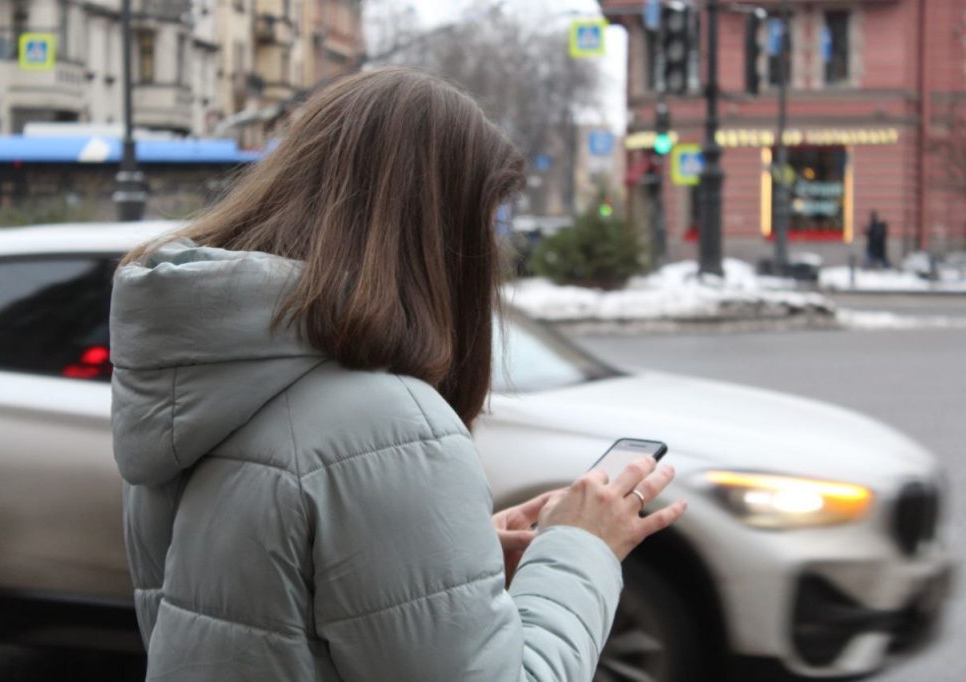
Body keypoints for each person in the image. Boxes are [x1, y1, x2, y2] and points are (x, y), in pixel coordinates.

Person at [111, 67, 686, 682]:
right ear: (442, 238)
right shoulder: (388, 425)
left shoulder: (204, 388)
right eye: (485, 224)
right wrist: (581, 549)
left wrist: (452, 567)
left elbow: (253, 620)